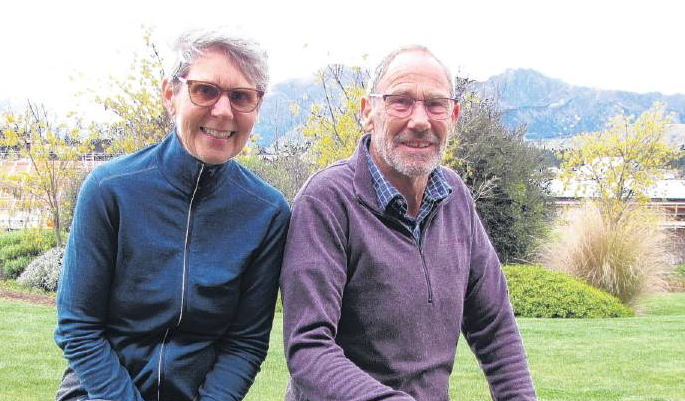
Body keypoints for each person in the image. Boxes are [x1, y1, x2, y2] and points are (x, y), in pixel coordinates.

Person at [280, 45, 537, 400]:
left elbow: (495, 328)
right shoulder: (327, 201)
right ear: (368, 112)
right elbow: (308, 349)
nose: (420, 120)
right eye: (401, 101)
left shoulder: (455, 198)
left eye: (435, 104)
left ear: (454, 116)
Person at [54, 28, 290, 401]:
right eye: (205, 90)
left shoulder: (267, 213)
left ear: (256, 108)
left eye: (241, 97)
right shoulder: (109, 189)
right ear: (170, 94)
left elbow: (244, 344)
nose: (223, 110)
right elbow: (78, 327)